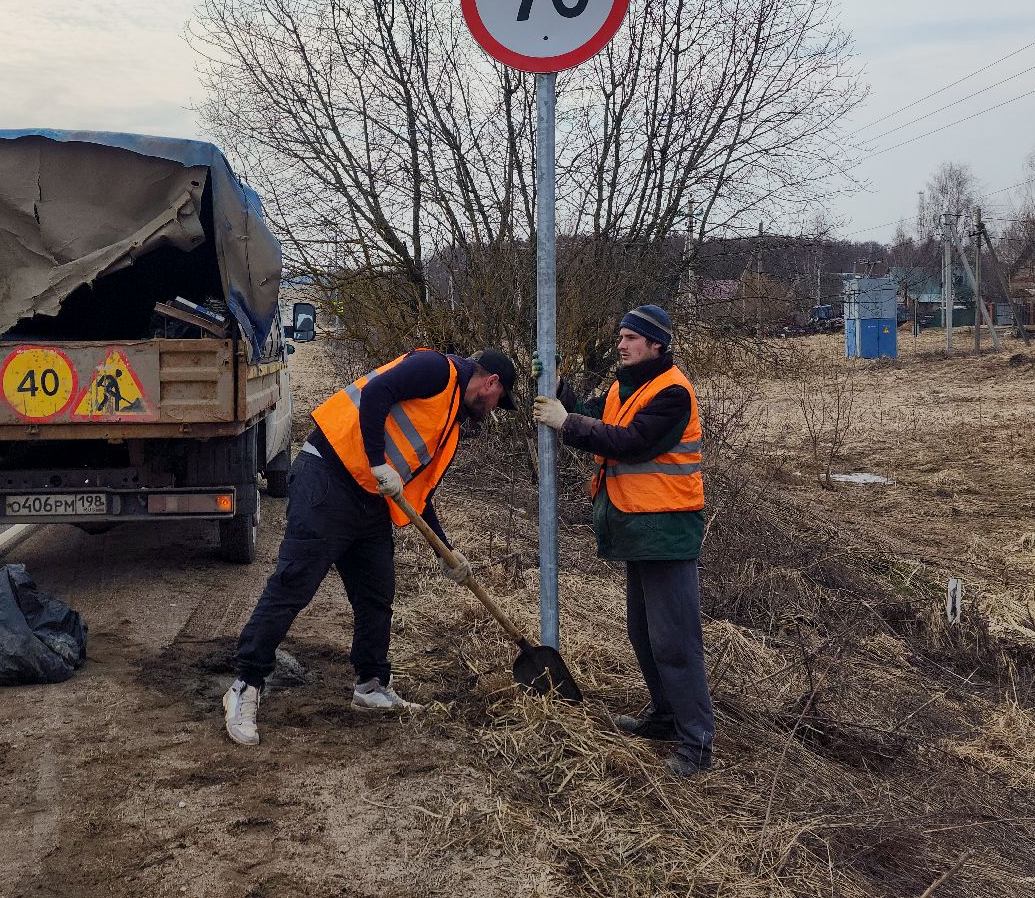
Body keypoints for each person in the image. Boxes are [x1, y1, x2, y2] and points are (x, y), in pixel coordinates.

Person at [223, 347, 521, 747]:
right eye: (500, 401)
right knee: (294, 585)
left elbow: (419, 494)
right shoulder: (436, 370)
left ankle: (371, 685)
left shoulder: (451, 420)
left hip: (371, 499)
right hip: (327, 478)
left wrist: (446, 554)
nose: (494, 410)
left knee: (376, 595)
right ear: (492, 383)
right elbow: (378, 392)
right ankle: (245, 684)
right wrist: (378, 460)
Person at [532, 304, 714, 777]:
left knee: (675, 641)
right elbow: (594, 415)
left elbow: (631, 441)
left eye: (632, 337)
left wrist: (564, 423)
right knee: (644, 633)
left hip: (667, 532)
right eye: (622, 336)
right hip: (638, 528)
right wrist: (558, 395)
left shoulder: (672, 393)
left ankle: (696, 742)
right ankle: (665, 714)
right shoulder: (624, 386)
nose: (622, 344)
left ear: (656, 344)